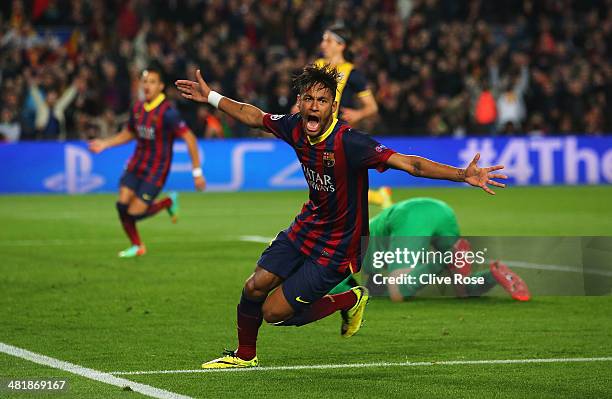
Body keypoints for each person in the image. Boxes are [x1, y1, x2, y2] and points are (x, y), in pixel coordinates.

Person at [175, 63, 506, 369]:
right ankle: (244, 355)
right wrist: (212, 97)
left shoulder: (351, 143)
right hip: (305, 228)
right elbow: (254, 116)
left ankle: (350, 297)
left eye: (322, 100)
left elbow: (411, 164)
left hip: (338, 247)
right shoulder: (294, 127)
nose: (314, 105)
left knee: (274, 313)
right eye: (308, 99)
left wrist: (462, 175)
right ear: (300, 102)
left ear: (333, 105)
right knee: (254, 286)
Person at [89, 66, 206, 258]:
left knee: (134, 213)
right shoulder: (137, 108)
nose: (147, 86)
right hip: (136, 163)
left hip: (156, 169)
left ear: (160, 86)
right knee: (121, 205)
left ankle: (167, 202)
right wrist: (105, 143)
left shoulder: (168, 112)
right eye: (145, 81)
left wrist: (197, 173)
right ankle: (137, 245)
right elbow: (129, 133)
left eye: (152, 82)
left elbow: (190, 139)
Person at [330, 198, 531, 302]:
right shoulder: (364, 243)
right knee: (462, 288)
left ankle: (448, 256)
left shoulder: (347, 255)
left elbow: (343, 287)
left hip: (409, 215)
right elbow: (372, 286)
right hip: (442, 210)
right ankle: (493, 275)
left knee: (398, 291)